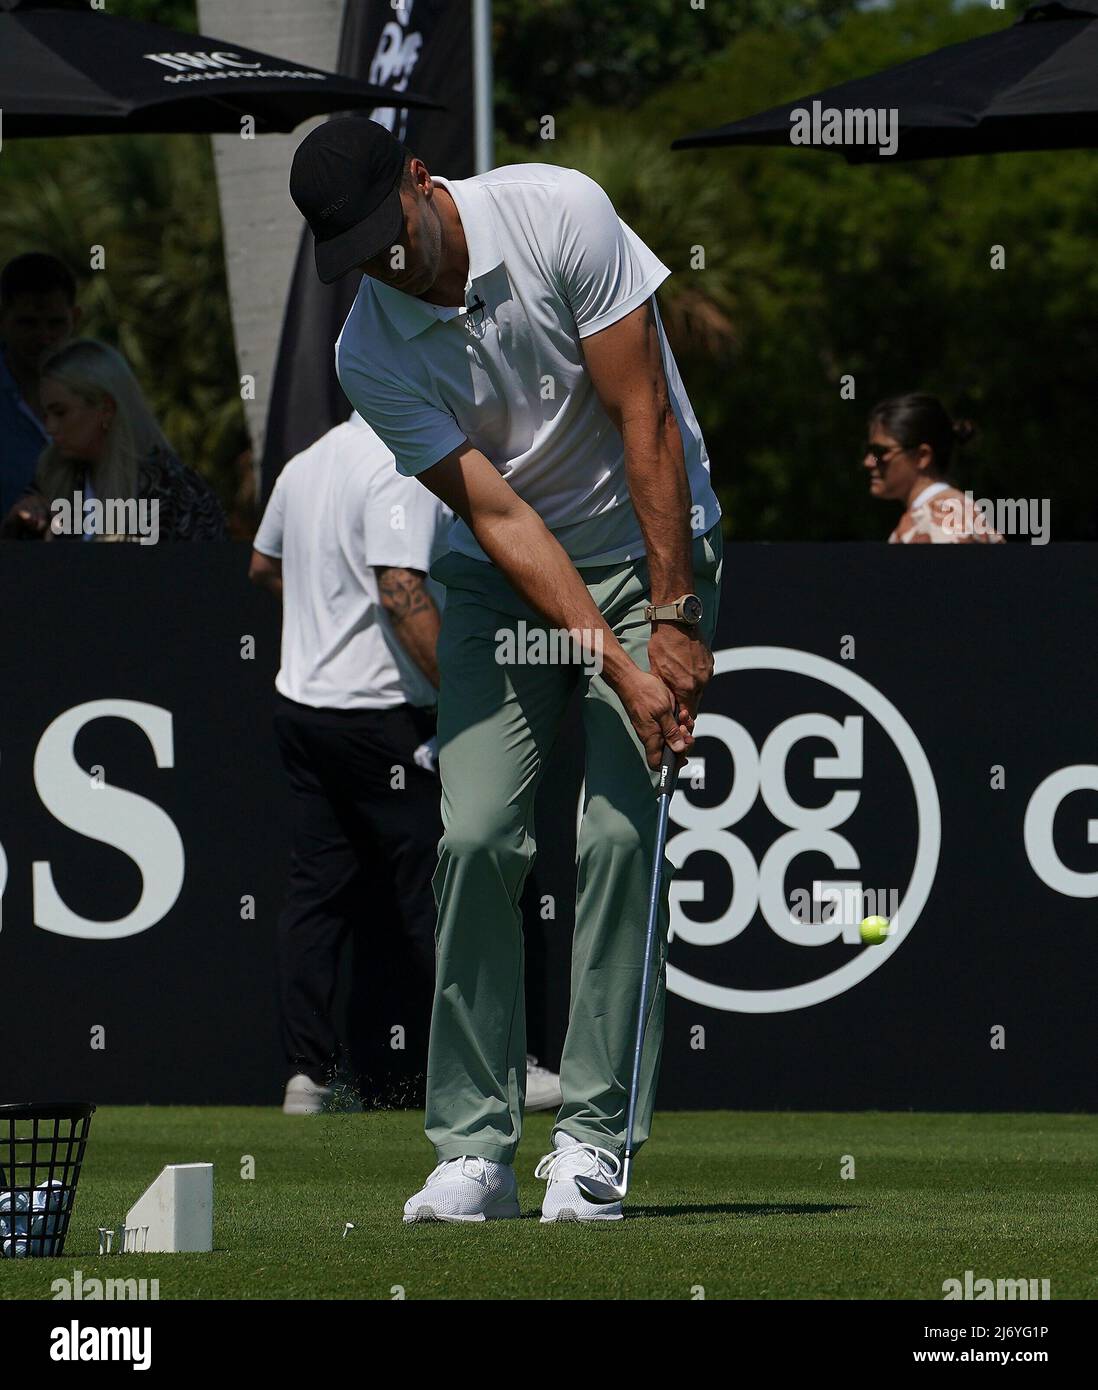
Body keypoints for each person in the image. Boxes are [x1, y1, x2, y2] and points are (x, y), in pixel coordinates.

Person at [289, 118, 723, 1222]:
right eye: (357, 260)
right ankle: (473, 1145)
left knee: (621, 836)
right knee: (478, 834)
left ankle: (592, 1143)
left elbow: (647, 420)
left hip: (649, 540)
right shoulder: (367, 353)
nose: (388, 269)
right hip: (498, 571)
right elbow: (497, 514)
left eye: (391, 237)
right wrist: (619, 670)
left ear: (422, 183)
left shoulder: (558, 211)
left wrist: (668, 620)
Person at [251, 412, 564, 1115]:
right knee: (455, 890)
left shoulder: (309, 459)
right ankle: (503, 1067)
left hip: (305, 710)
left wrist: (327, 625)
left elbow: (264, 566)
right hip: (384, 716)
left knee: (318, 895)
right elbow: (400, 588)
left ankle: (307, 1077)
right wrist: (468, 708)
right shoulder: (408, 454)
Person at [1, 338, 227, 542]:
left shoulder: (175, 494)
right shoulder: (51, 479)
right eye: (46, 413)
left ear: (106, 409)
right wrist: (16, 527)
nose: (49, 427)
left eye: (60, 413)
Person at [0, 253, 82, 518]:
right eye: (28, 324)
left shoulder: (102, 396)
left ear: (75, 318)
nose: (44, 337)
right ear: (3, 320)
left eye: (56, 323)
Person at [863, 393, 1004, 544]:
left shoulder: (938, 521)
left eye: (880, 452)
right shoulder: (952, 512)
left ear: (922, 456)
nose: (868, 462)